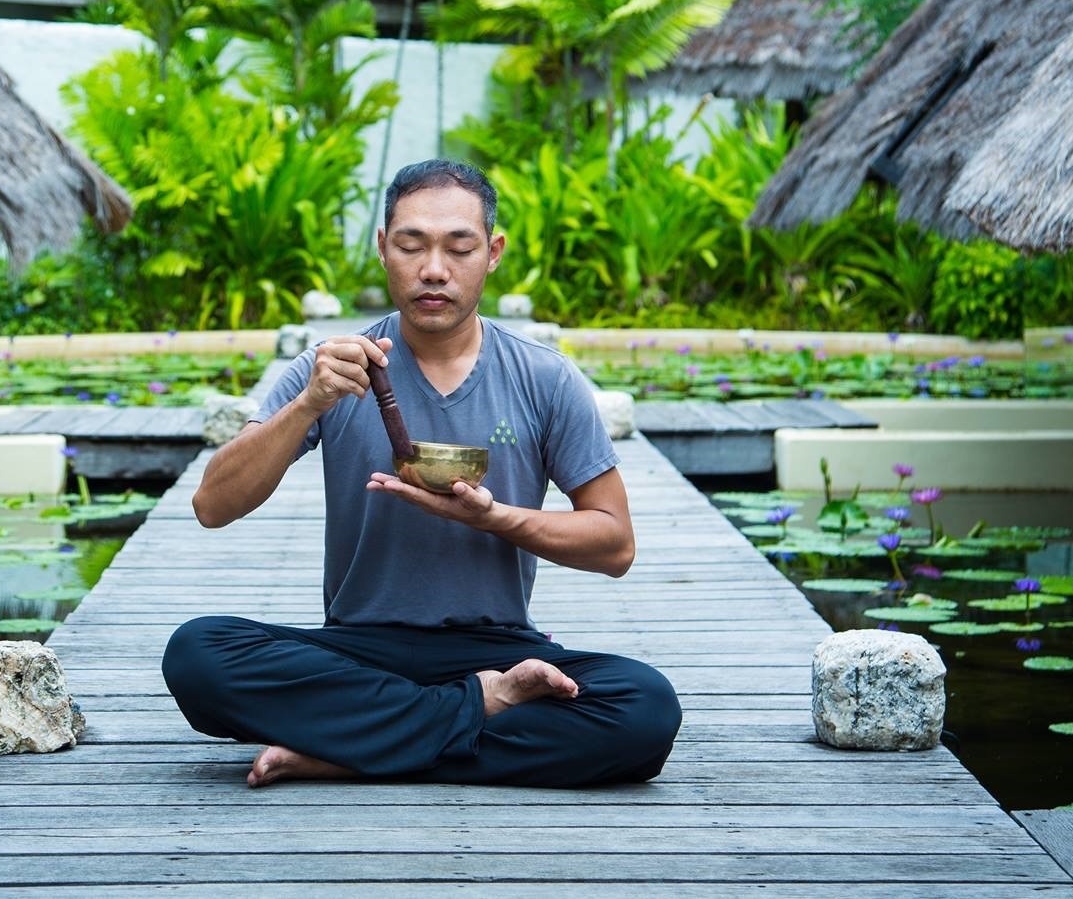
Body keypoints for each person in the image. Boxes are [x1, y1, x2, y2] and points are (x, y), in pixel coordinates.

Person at [161, 159, 682, 788]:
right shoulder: (333, 368)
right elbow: (212, 505)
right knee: (197, 655)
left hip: (500, 647)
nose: (433, 269)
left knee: (646, 708)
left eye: (458, 247)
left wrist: (493, 518)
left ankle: (344, 750)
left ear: (492, 253)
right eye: (411, 245)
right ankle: (474, 710)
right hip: (358, 648)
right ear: (383, 249)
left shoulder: (545, 378)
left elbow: (615, 544)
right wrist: (308, 405)